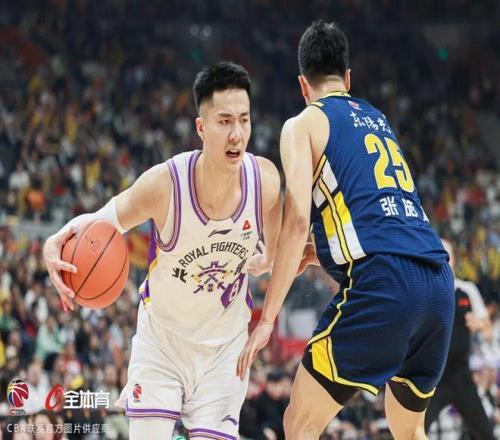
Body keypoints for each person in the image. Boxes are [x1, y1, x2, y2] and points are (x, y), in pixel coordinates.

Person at [237, 21, 455, 439]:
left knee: (299, 423)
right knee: (410, 430)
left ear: (303, 85)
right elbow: (380, 222)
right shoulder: (377, 118)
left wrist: (267, 319)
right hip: (437, 284)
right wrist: (314, 252)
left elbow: (297, 218)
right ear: (348, 78)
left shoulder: (304, 123)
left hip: (387, 283)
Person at [43, 61, 282, 439]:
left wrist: (268, 259)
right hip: (162, 343)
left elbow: (279, 241)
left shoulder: (264, 180)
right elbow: (101, 222)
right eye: (224, 121)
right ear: (201, 127)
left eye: (244, 120)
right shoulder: (164, 185)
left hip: (226, 351)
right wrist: (52, 241)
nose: (237, 134)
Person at [425, 239, 494, 439]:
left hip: (460, 374)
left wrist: (479, 324)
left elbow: (488, 331)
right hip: (433, 376)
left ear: (454, 259)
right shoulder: (425, 292)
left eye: (447, 256)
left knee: (485, 432)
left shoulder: (467, 290)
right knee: (413, 431)